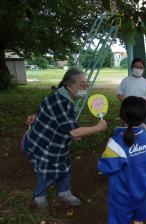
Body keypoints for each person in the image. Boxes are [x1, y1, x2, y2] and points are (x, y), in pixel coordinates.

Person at [25, 68, 107, 208]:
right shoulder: (61, 101)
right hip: (46, 144)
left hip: (57, 142)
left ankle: (64, 193)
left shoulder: (62, 96)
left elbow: (53, 116)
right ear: (69, 85)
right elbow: (74, 132)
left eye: (87, 84)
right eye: (82, 84)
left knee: (64, 168)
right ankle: (39, 196)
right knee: (48, 172)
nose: (86, 87)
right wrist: (98, 127)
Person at [97, 96, 146, 224]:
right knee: (139, 219)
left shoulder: (116, 142)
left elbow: (106, 168)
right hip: (142, 190)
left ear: (121, 116)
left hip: (122, 196)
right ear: (144, 118)